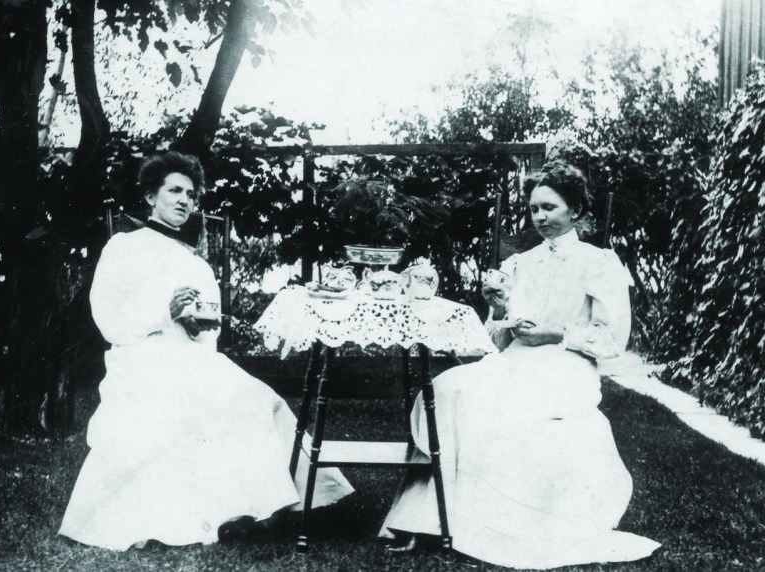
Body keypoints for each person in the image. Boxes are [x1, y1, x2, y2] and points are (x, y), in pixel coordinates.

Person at [59, 152, 353, 551]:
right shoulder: (124, 247)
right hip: (141, 353)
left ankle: (251, 509)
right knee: (190, 398)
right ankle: (211, 515)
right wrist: (166, 311)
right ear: (150, 197)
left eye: (192, 195)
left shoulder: (194, 262)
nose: (184, 200)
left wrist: (196, 323)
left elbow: (207, 330)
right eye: (174, 191)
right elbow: (108, 318)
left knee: (250, 396)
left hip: (191, 354)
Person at [380, 160, 660, 569]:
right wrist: (499, 312)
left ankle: (492, 525)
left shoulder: (598, 262)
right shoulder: (521, 264)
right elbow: (497, 339)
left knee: (510, 409)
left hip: (567, 365)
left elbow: (611, 338)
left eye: (550, 207)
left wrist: (553, 333)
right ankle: (430, 517)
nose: (541, 217)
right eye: (534, 209)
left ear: (576, 210)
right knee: (450, 389)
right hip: (516, 360)